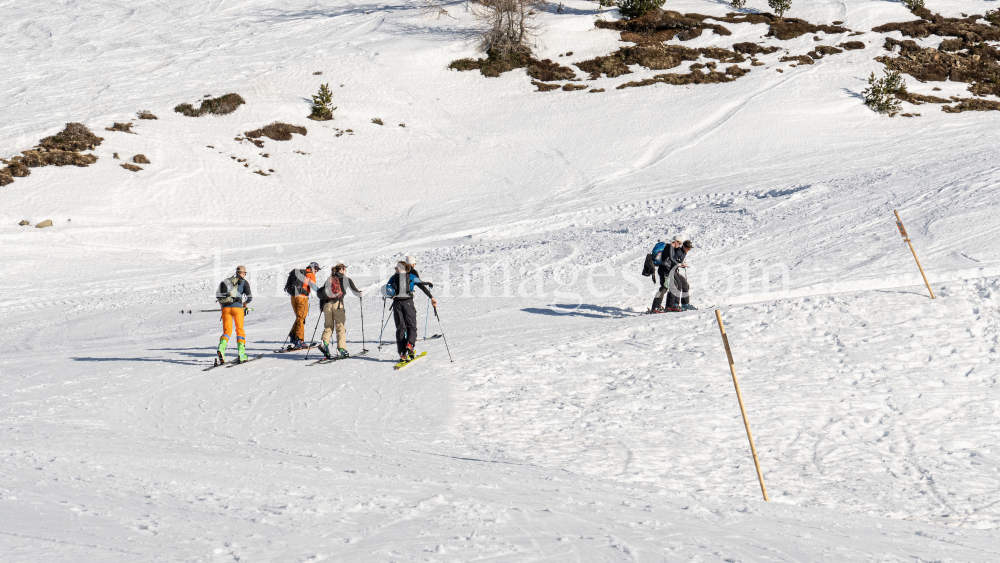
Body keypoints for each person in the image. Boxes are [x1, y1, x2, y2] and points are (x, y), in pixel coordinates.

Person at [384, 261, 436, 361]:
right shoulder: (411, 276)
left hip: (397, 304)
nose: (395, 269)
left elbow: (387, 289)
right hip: (408, 303)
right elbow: (422, 286)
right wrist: (431, 298)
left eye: (396, 268)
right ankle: (410, 344)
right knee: (411, 326)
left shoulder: (393, 277)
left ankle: (402, 353)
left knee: (400, 328)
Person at [317, 263, 363, 359]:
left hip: (327, 305)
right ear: (341, 270)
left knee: (328, 326)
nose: (345, 271)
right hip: (338, 305)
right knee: (340, 327)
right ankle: (341, 349)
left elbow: (323, 293)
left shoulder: (330, 279)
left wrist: (321, 306)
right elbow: (356, 292)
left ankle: (324, 343)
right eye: (344, 269)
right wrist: (360, 294)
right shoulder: (346, 279)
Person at [216, 265, 252, 363]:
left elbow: (219, 296)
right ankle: (241, 353)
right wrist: (245, 303)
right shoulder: (244, 282)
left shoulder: (227, 281)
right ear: (243, 273)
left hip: (225, 309)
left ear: (236, 272)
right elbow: (249, 297)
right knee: (239, 330)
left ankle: (221, 350)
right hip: (237, 309)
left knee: (227, 331)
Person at [287, 261, 320, 349]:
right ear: (313, 268)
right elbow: (313, 287)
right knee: (301, 318)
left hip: (293, 296)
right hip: (302, 297)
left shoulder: (300, 272)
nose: (316, 271)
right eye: (316, 269)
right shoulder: (310, 274)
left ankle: (293, 336)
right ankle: (300, 340)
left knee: (299, 317)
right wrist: (321, 292)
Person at [651, 237, 683, 312]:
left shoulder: (669, 247)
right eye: (680, 243)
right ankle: (657, 307)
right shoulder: (669, 247)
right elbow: (671, 258)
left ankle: (668, 306)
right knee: (665, 288)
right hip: (664, 269)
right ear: (675, 241)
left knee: (671, 286)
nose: (680, 245)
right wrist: (679, 264)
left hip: (665, 269)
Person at [665, 240, 696, 312]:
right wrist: (681, 264)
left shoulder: (684, 252)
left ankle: (685, 304)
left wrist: (682, 264)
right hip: (671, 270)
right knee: (678, 284)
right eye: (687, 248)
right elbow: (672, 260)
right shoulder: (679, 251)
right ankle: (675, 304)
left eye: (690, 248)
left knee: (685, 284)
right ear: (683, 246)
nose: (688, 250)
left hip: (675, 271)